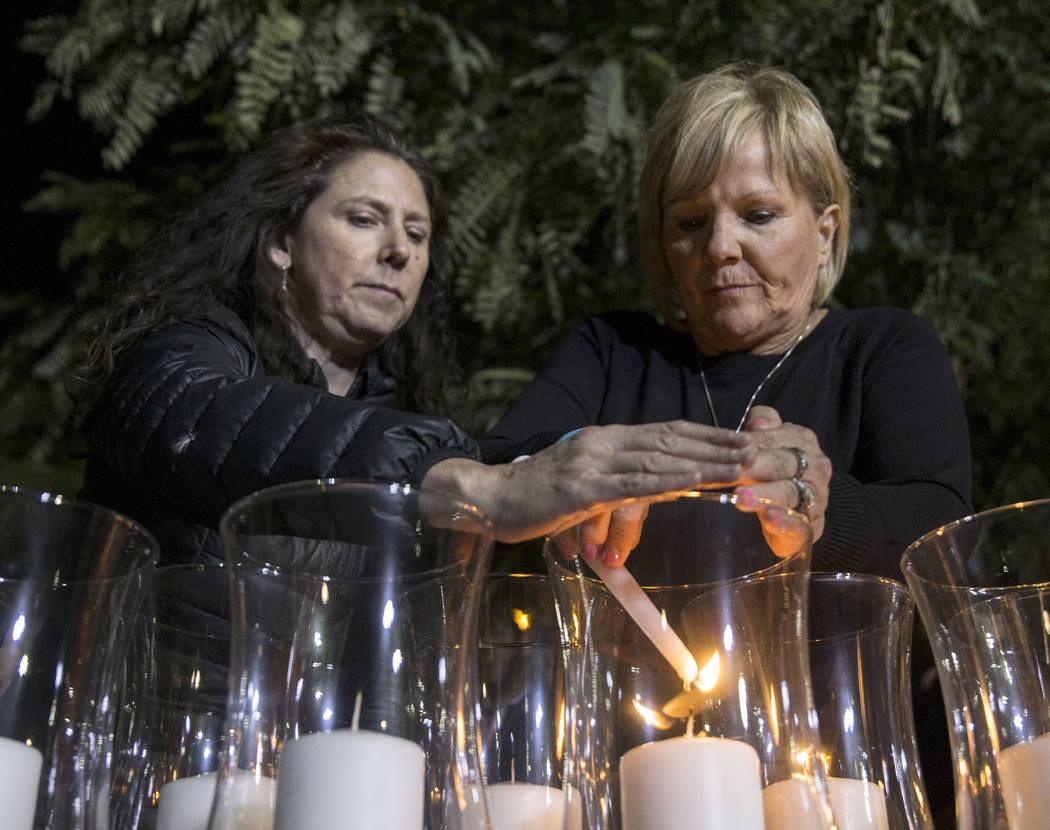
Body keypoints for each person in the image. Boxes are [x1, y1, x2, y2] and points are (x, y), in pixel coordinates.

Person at [74, 113, 757, 565]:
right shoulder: (184, 352)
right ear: (282, 242)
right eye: (364, 220)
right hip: (160, 751)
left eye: (418, 234)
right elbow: (192, 419)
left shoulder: (397, 414)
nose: (398, 252)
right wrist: (473, 489)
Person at [480, 64, 973, 579]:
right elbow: (487, 475)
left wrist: (821, 511)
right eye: (691, 222)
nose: (718, 248)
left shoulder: (883, 350)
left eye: (758, 215)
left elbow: (941, 532)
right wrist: (572, 467)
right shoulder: (612, 353)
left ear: (825, 232)